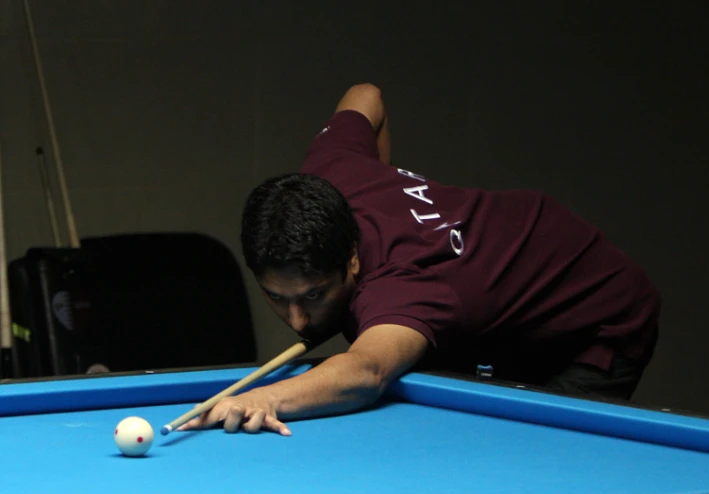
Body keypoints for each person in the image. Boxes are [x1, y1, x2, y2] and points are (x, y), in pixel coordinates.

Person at [180, 83, 661, 436]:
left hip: (595, 317)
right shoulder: (335, 171)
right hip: (503, 271)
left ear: (352, 257)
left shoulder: (400, 290)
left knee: (527, 459)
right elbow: (366, 96)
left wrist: (262, 397)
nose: (299, 319)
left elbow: (366, 373)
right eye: (277, 298)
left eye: (313, 295)